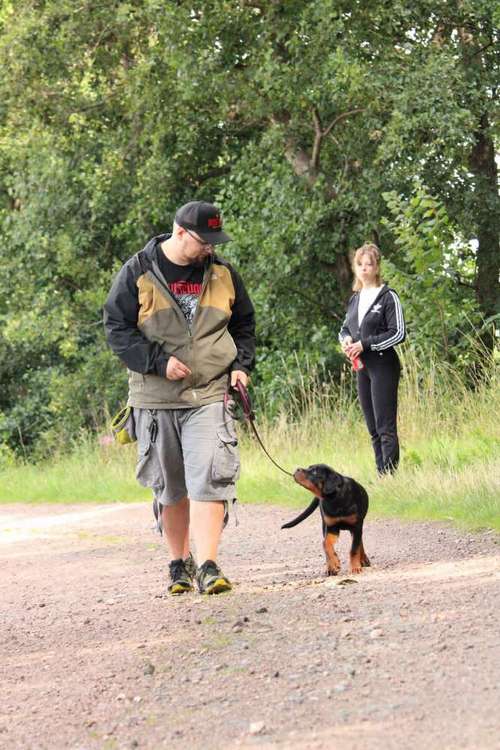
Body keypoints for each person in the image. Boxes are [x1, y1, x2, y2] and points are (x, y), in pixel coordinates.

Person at [103, 200, 255, 595]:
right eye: (204, 241)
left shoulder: (223, 273)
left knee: (210, 475)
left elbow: (244, 325)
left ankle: (208, 565)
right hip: (156, 398)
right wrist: (156, 362)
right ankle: (178, 564)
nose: (210, 248)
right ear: (181, 232)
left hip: (210, 391)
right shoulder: (138, 270)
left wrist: (241, 364)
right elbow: (117, 329)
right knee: (171, 487)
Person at [338, 243, 405, 475]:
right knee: (372, 427)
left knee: (385, 425)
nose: (364, 269)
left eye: (369, 264)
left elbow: (398, 333)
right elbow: (345, 329)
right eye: (360, 264)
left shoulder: (388, 296)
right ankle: (381, 473)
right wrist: (347, 341)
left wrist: (364, 344)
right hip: (362, 367)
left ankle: (390, 475)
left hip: (384, 365)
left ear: (377, 267)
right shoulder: (355, 299)